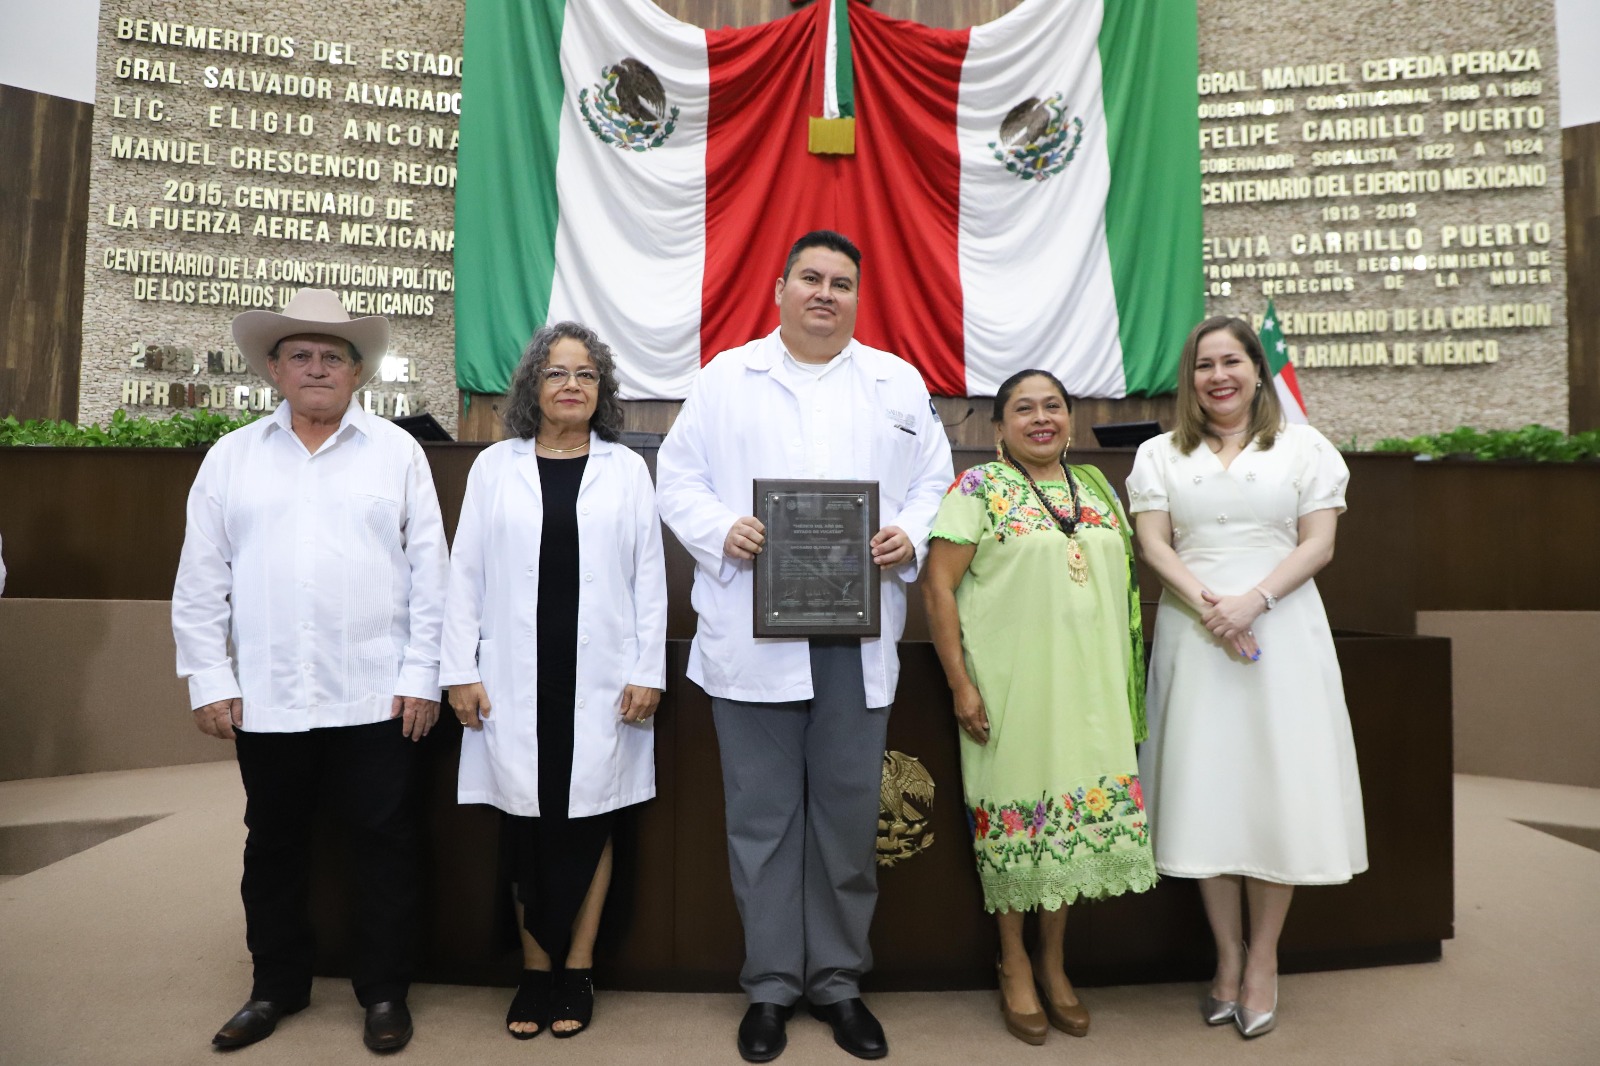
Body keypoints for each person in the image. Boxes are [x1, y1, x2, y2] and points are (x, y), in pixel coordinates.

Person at [657, 230, 953, 1062]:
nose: (826, 293)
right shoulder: (725, 380)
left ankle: (838, 981)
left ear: (858, 297)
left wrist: (911, 532)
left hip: (855, 641)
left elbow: (935, 480)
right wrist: (722, 528)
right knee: (761, 821)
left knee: (848, 821)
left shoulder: (896, 383)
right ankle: (770, 986)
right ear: (780, 288)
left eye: (842, 282)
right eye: (811, 278)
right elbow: (676, 479)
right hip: (753, 639)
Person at [172, 288, 448, 1052]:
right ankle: (276, 986)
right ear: (274, 369)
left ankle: (385, 992)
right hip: (270, 696)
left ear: (358, 372)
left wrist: (423, 675)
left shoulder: (398, 454)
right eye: (301, 355)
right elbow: (200, 580)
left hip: (378, 696)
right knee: (273, 847)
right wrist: (210, 679)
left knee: (385, 846)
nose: (317, 367)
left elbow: (433, 573)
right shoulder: (231, 458)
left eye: (333, 355)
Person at [1126, 315, 1367, 1039]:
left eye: (1231, 361)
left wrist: (1252, 602)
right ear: (1190, 378)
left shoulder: (1304, 447)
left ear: (1258, 371)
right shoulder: (1159, 454)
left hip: (1282, 632)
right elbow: (1153, 544)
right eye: (1204, 365)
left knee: (1274, 788)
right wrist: (1214, 608)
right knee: (1207, 789)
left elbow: (1319, 543)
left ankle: (1263, 959)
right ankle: (1225, 957)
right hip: (1195, 635)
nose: (1218, 376)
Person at [440, 322, 667, 1039]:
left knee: (591, 817)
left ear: (602, 391)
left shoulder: (626, 470)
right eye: (557, 372)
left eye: (586, 374)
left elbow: (650, 578)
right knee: (526, 822)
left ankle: (578, 968)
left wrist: (648, 670)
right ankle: (535, 971)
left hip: (601, 679)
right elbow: (465, 575)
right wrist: (459, 671)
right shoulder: (495, 467)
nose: (572, 385)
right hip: (515, 677)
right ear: (532, 386)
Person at [922, 369, 1155, 1046]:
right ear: (999, 427)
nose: (1041, 418)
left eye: (1053, 406)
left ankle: (1053, 960)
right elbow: (937, 587)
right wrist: (961, 684)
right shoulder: (978, 488)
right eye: (1024, 409)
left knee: (1071, 827)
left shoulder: (1099, 490)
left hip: (1093, 693)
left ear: (1071, 420)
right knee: (1019, 820)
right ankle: (1014, 962)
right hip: (1013, 692)